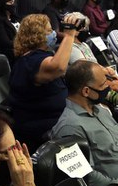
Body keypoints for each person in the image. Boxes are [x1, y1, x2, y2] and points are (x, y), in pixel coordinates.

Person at [8, 13, 77, 150]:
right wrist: (69, 36)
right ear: (36, 35)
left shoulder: (41, 56)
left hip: (61, 119)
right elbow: (58, 67)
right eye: (49, 31)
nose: (54, 34)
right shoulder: (29, 62)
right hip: (43, 128)